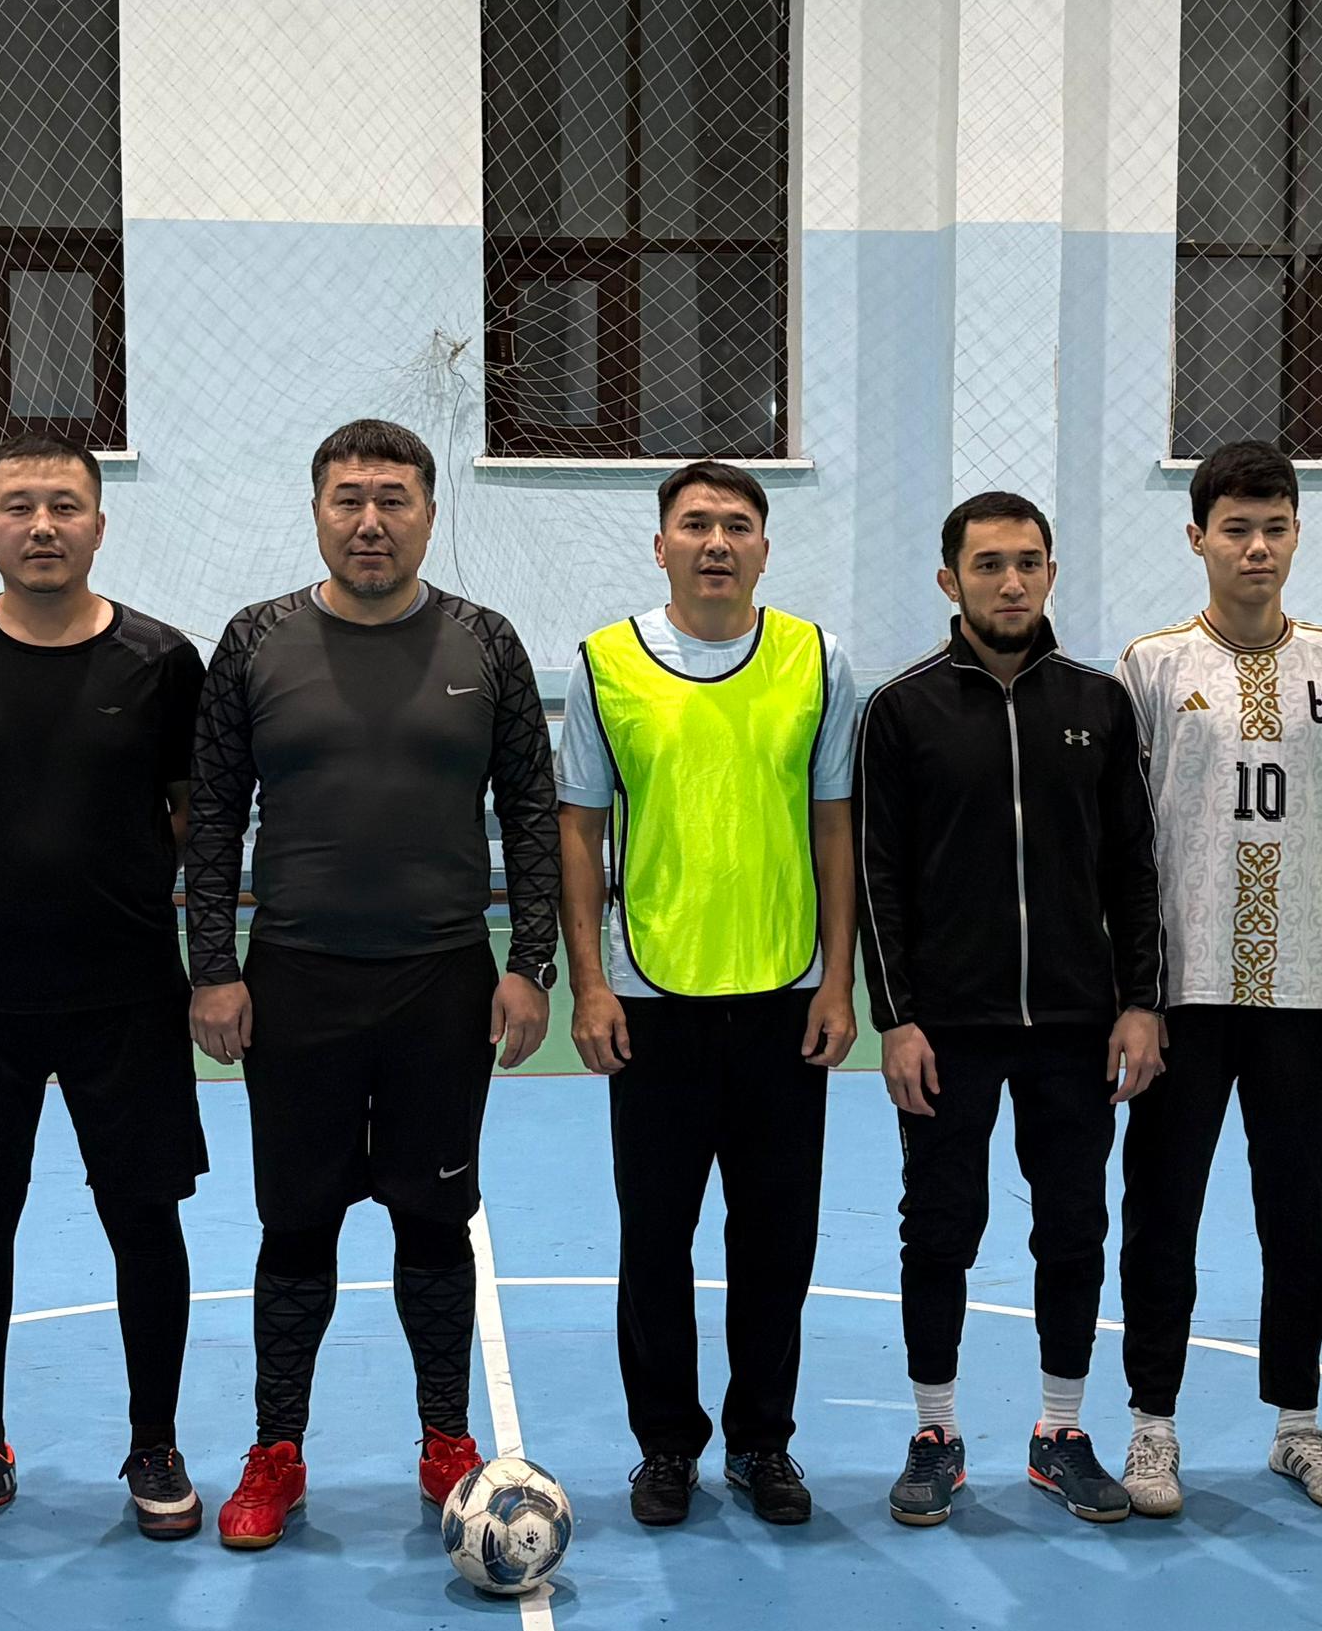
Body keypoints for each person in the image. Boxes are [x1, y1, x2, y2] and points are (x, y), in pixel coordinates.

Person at [181, 421, 557, 1553]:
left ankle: (444, 1437)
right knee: (295, 1223)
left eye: (393, 499)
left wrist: (528, 963)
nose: (370, 521)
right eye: (348, 498)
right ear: (316, 513)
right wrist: (214, 967)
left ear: (429, 514)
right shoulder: (255, 640)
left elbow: (531, 816)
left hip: (441, 984)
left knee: (432, 1217)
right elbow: (212, 815)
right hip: (295, 982)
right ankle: (276, 1451)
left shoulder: (486, 642)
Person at [0, 441, 210, 1544]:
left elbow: (191, 813)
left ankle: (154, 1444)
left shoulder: (163, 661)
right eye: (17, 505)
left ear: (99, 525)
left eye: (65, 504)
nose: (42, 524)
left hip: (126, 990)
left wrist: (117, 889)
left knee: (144, 1217)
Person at [559, 461, 860, 1529]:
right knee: (655, 1239)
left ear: (765, 548)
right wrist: (590, 984)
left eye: (737, 524)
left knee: (776, 1241)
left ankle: (762, 1440)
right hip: (652, 997)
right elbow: (578, 828)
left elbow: (834, 823)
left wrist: (838, 980)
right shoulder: (605, 663)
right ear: (661, 546)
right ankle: (665, 1446)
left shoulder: (815, 658)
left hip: (785, 993)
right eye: (694, 524)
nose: (716, 541)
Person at [856, 490, 1165, 1528]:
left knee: (1073, 1226)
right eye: (988, 564)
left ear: (1050, 573)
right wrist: (896, 1019)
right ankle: (934, 1433)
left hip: (1077, 1026)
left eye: (1028, 561)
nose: (1010, 581)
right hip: (947, 1028)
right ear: (950, 580)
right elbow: (876, 877)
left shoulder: (1098, 703)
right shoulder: (900, 710)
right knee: (940, 1226)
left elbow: (1133, 869)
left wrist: (1139, 1003)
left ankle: (1059, 1433)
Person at [1111, 444, 1322, 1519]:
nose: (1256, 547)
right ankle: (1151, 1426)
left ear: (1297, 533)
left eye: (1274, 526)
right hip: (1184, 988)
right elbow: (1125, 840)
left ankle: (1297, 1424)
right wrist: (1133, 991)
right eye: (1235, 528)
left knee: (1296, 1214)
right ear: (1197, 538)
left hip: (1303, 987)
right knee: (1162, 1211)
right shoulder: (1150, 666)